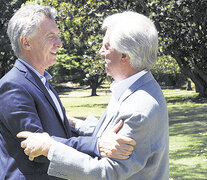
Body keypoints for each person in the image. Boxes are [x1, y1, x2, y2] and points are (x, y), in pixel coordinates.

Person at [17, 11, 169, 180]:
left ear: (124, 56)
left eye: (106, 46)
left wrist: (50, 148)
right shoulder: (134, 89)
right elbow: (110, 133)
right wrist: (74, 123)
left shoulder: (139, 108)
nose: (100, 52)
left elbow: (107, 173)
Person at [0, 5, 135, 180]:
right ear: (26, 42)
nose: (59, 43)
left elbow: (58, 135)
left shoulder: (40, 81)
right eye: (51, 37)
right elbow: (37, 150)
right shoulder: (13, 86)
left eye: (58, 35)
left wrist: (98, 136)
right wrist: (96, 145)